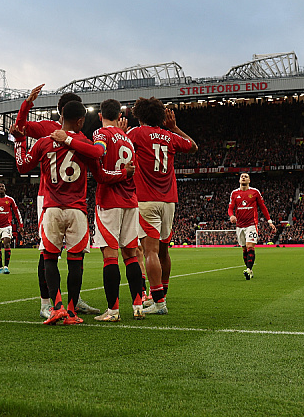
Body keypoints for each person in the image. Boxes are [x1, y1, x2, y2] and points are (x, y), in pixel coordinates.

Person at [14, 100, 132, 325]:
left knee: (49, 258)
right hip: (76, 209)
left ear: (61, 118)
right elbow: (102, 176)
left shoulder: (44, 143)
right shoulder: (84, 143)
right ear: (80, 121)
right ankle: (71, 310)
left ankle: (55, 306)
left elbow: (21, 165)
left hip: (51, 209)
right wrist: (124, 174)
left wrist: (20, 140)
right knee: (75, 262)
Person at [12, 84, 101, 318]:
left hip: (53, 197)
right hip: (55, 198)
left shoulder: (51, 137)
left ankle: (67, 302)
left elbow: (20, 139)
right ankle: (48, 303)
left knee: (52, 254)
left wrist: (20, 139)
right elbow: (21, 126)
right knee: (54, 254)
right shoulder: (73, 136)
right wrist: (27, 104)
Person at [127, 97, 197, 315]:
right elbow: (193, 146)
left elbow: (120, 146)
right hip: (169, 201)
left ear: (139, 116)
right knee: (164, 252)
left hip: (147, 200)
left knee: (150, 252)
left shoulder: (136, 134)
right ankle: (162, 296)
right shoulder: (169, 136)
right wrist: (174, 127)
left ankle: (158, 302)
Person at [85, 98, 145, 321]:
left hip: (110, 201)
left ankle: (113, 311)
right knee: (130, 255)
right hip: (131, 201)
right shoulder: (128, 140)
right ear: (119, 116)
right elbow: (133, 170)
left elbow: (98, 153)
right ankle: (138, 305)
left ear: (100, 116)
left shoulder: (102, 134)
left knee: (110, 256)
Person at [228, 173, 276, 280]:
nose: (243, 177)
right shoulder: (234, 193)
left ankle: (249, 270)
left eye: (246, 176)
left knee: (250, 246)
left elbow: (263, 207)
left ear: (249, 180)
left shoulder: (255, 192)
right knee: (244, 249)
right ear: (239, 180)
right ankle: (249, 269)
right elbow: (230, 208)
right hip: (239, 226)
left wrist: (269, 221)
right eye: (242, 176)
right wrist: (231, 216)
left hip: (251, 225)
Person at [0, 183, 23, 274]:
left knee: (7, 243)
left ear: (5, 189)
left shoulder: (10, 200)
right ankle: (0, 267)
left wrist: (20, 225)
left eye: (3, 187)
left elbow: (16, 212)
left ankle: (6, 267)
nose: (1, 188)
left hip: (7, 226)